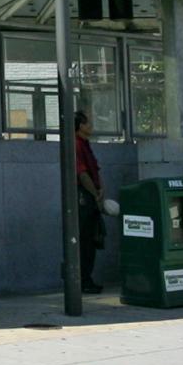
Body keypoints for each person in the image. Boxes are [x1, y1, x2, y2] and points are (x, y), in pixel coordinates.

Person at [75, 111, 106, 294]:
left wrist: (101, 189)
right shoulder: (76, 145)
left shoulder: (85, 144)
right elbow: (82, 174)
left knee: (93, 239)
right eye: (88, 123)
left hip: (91, 196)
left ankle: (87, 278)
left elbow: (95, 170)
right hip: (84, 198)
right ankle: (83, 280)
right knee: (85, 241)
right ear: (80, 126)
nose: (91, 126)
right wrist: (95, 194)